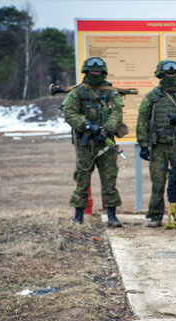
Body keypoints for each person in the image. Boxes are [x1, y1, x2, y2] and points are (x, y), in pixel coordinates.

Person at [136, 60, 176, 229]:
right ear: (160, 75)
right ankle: (155, 216)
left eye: (173, 73)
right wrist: (143, 145)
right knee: (157, 183)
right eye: (167, 73)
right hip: (158, 147)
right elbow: (142, 119)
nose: (170, 76)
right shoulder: (152, 96)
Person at [62, 56, 124, 227]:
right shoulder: (77, 92)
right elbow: (69, 113)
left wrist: (106, 130)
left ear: (103, 72)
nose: (95, 73)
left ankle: (112, 215)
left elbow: (117, 113)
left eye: (98, 71)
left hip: (106, 142)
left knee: (110, 178)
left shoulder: (110, 91)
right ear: (86, 72)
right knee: (82, 178)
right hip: (85, 143)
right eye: (92, 71)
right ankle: (78, 216)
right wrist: (89, 127)